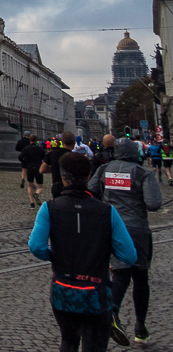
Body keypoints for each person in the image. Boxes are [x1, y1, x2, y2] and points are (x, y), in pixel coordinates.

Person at [29, 152, 137, 352]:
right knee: (95, 345)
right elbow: (129, 256)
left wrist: (52, 256)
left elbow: (36, 246)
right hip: (96, 292)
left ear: (63, 177)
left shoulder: (49, 208)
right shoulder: (107, 211)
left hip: (63, 289)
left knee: (68, 342)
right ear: (88, 177)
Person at [88, 137, 163, 346]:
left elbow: (91, 192)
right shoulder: (143, 172)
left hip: (112, 228)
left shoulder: (103, 170)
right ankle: (140, 327)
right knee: (140, 277)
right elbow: (154, 204)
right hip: (137, 229)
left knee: (120, 273)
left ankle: (113, 310)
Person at [40, 131, 75, 199]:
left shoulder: (52, 154)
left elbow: (42, 170)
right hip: (72, 187)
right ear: (74, 142)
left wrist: (54, 168)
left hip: (57, 186)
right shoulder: (75, 156)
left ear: (62, 141)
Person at [19, 135, 46, 207]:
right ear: (36, 141)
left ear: (30, 140)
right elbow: (44, 159)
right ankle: (36, 194)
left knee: (30, 186)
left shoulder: (26, 148)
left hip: (30, 167)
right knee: (40, 187)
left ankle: (32, 203)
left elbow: (20, 157)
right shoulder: (40, 149)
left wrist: (25, 162)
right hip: (38, 168)